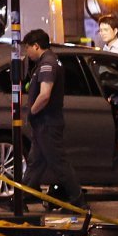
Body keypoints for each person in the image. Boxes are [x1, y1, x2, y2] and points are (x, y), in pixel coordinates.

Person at [22, 29, 83, 208]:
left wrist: (31, 112)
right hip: (44, 123)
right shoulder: (48, 61)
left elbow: (45, 95)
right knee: (35, 163)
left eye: (28, 48)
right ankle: (21, 199)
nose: (27, 52)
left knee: (59, 163)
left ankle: (78, 201)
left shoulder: (47, 64)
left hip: (47, 122)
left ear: (36, 46)